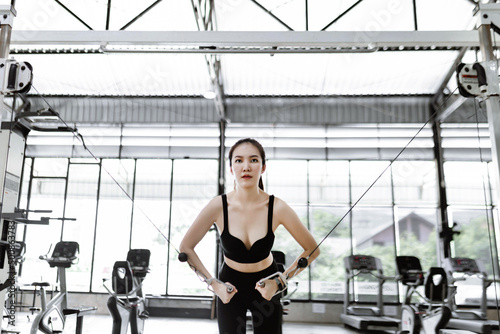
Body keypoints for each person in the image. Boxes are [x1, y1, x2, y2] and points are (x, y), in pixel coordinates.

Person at [179, 138, 320, 334]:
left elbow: (312, 249)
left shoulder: (277, 207)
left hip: (267, 283)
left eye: (253, 160)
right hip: (229, 284)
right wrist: (214, 284)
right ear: (231, 168)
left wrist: (279, 282)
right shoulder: (218, 206)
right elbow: (185, 248)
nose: (246, 167)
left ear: (263, 167)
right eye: (238, 161)